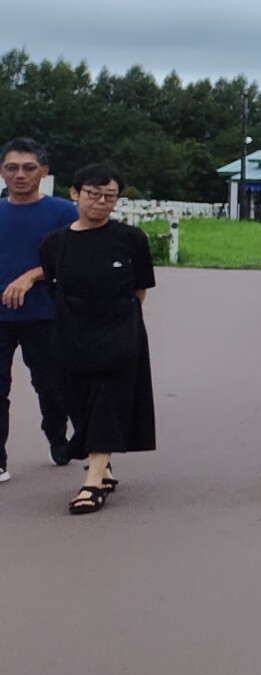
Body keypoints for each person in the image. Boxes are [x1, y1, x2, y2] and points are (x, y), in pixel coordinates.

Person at [2, 163, 156, 514]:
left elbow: (139, 290)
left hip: (119, 332)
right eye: (93, 194)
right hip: (71, 332)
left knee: (107, 399)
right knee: (77, 399)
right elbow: (56, 285)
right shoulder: (54, 244)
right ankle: (102, 462)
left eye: (110, 196)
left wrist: (124, 323)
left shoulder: (131, 239)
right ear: (75, 194)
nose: (101, 202)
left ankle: (92, 484)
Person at [0, 139, 80, 480]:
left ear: (44, 172)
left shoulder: (63, 213)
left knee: (51, 385)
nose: (19, 175)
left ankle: (56, 436)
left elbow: (75, 258)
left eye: (28, 168)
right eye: (12, 168)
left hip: (45, 314)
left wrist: (32, 276)